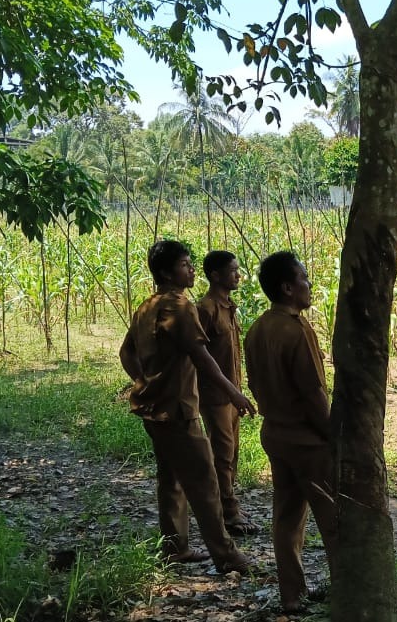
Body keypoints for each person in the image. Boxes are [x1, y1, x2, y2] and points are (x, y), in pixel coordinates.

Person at [119, 239, 256, 575]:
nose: (191, 269)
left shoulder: (146, 306)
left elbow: (126, 353)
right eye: (184, 264)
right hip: (178, 409)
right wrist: (234, 393)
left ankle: (175, 546)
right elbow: (202, 357)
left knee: (170, 477)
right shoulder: (181, 306)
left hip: (153, 408)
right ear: (167, 272)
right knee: (205, 479)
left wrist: (146, 382)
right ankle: (226, 555)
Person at [244, 251, 335, 612]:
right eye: (303, 278)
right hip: (306, 440)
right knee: (332, 519)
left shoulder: (257, 328)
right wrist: (331, 434)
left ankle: (292, 595)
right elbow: (314, 392)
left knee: (286, 517)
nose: (308, 284)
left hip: (275, 433)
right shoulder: (297, 331)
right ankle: (346, 590)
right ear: (287, 288)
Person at [196, 250, 259, 536]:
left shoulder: (228, 307)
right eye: (232, 271)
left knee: (232, 452)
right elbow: (201, 359)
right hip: (216, 394)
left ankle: (227, 503)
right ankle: (227, 512)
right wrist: (232, 392)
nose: (238, 275)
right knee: (222, 453)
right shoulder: (206, 309)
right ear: (215, 275)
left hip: (233, 392)